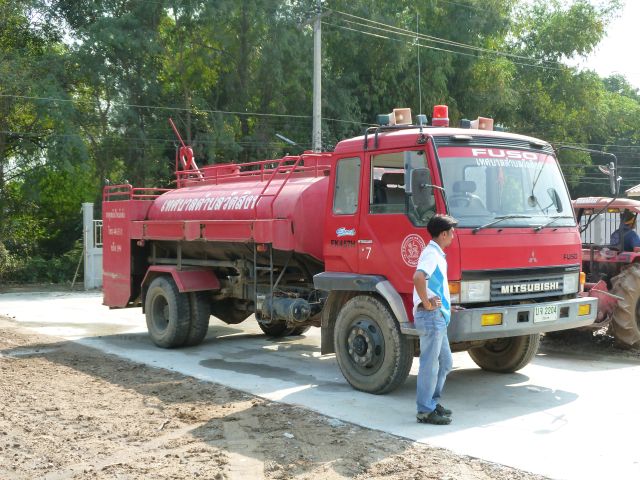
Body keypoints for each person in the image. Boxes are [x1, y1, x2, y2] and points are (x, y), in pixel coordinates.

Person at [413, 214, 458, 425]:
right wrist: (426, 302)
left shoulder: (436, 254)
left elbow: (433, 284)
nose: (453, 236)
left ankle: (431, 402)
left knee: (445, 362)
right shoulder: (431, 254)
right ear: (443, 234)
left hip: (438, 316)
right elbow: (418, 277)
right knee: (430, 365)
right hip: (431, 317)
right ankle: (425, 410)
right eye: (451, 232)